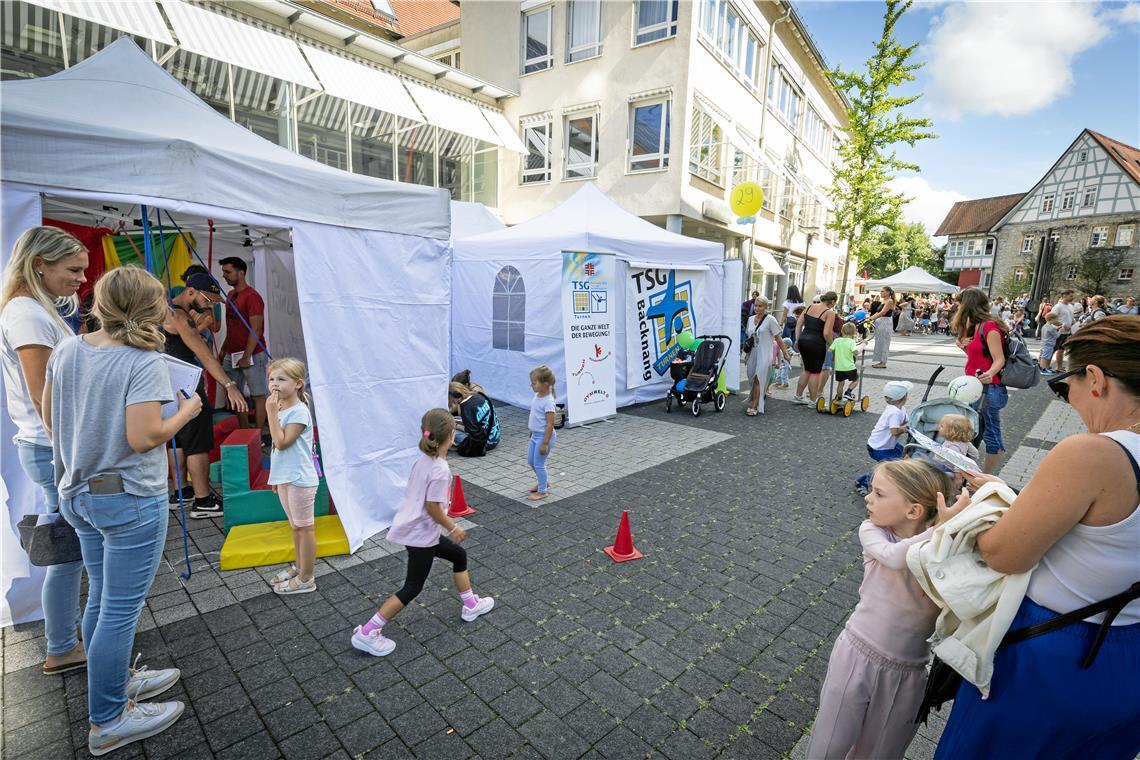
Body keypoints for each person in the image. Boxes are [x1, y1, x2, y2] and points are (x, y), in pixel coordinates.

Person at [933, 315, 1140, 758]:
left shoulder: (1094, 453)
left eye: (1064, 384)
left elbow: (1002, 554)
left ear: (1097, 379)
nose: (1069, 399)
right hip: (1128, 660)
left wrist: (984, 509)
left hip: (1057, 655)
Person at [44, 267, 202, 755]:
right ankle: (108, 717)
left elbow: (50, 415)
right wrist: (186, 412)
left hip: (78, 492)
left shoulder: (68, 348)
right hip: (130, 496)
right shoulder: (144, 360)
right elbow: (144, 437)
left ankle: (111, 683)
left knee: (101, 600)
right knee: (118, 608)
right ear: (148, 308)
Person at [807, 459, 955, 759]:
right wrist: (943, 528)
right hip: (858, 655)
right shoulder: (873, 532)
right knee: (829, 743)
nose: (867, 497)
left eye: (878, 493)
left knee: (882, 752)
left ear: (913, 511)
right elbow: (896, 557)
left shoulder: (943, 548)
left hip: (909, 669)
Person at [0, 226, 88, 675]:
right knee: (68, 553)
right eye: (73, 270)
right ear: (40, 263)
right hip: (52, 447)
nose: (80, 280)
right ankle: (63, 646)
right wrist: (76, 451)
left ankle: (62, 644)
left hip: (48, 446)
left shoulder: (29, 310)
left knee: (67, 552)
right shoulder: (28, 314)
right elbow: (43, 397)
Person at [351, 409, 495, 657]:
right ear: (451, 435)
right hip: (421, 536)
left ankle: (471, 604)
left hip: (417, 532)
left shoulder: (422, 462)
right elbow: (431, 506)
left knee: (458, 556)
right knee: (412, 587)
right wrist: (453, 526)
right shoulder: (440, 469)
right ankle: (368, 632)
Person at [163, 273, 248, 518]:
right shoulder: (179, 316)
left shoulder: (167, 311)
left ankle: (182, 492)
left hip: (169, 385)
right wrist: (229, 384)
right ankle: (203, 501)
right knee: (197, 441)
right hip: (187, 385)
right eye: (207, 300)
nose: (210, 305)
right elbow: (204, 354)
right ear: (191, 292)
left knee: (177, 438)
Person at [265, 358, 320, 595]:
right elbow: (277, 452)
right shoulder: (282, 408)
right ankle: (299, 567)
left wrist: (269, 412)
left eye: (281, 379)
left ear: (298, 384)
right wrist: (277, 479)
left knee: (305, 528)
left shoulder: (298, 411)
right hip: (287, 479)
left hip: (300, 479)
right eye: (271, 379)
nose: (274, 384)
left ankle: (307, 577)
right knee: (296, 527)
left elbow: (281, 442)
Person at [952, 287, 1009, 475]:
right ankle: (969, 472)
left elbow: (999, 359)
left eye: (960, 304)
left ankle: (987, 477)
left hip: (989, 389)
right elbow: (976, 357)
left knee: (991, 434)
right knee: (973, 431)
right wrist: (962, 346)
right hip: (973, 386)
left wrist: (989, 373)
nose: (957, 308)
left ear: (968, 305)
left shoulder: (990, 327)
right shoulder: (973, 326)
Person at [219, 256, 268, 434]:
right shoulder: (231, 295)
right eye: (224, 272)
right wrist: (224, 349)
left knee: (258, 395)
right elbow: (233, 327)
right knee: (235, 393)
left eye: (228, 272)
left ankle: (259, 432)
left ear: (241, 273)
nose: (224, 276)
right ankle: (244, 432)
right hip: (232, 353)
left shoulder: (253, 297)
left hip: (253, 353)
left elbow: (256, 329)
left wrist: (247, 356)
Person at [854, 381, 911, 494]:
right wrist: (906, 428)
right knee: (889, 466)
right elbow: (894, 431)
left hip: (887, 445)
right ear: (903, 397)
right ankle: (865, 483)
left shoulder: (901, 409)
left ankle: (862, 479)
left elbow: (906, 421)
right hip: (879, 448)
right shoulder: (894, 412)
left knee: (902, 456)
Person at [793, 292, 838, 405]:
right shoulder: (829, 313)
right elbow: (827, 333)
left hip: (803, 340)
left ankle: (798, 395)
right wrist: (832, 346)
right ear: (832, 301)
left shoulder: (809, 306)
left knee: (807, 370)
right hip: (816, 343)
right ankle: (813, 400)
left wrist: (798, 340)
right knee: (815, 372)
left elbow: (799, 323)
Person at [745, 296, 786, 416]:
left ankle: (755, 406)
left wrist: (785, 352)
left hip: (765, 353)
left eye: (760, 306)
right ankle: (756, 397)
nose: (757, 308)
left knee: (759, 378)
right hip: (752, 353)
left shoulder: (770, 320)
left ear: (765, 307)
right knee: (751, 377)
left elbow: (778, 338)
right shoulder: (750, 319)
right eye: (756, 305)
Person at [527, 365, 557, 502]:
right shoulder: (537, 395)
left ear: (545, 384)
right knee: (531, 462)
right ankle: (543, 481)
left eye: (534, 383)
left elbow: (550, 424)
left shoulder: (549, 402)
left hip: (544, 436)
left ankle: (542, 491)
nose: (531, 385)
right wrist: (531, 431)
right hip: (535, 435)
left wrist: (545, 443)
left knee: (539, 464)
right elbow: (535, 416)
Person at [448, 381, 501, 457]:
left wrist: (455, 425)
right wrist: (455, 420)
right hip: (495, 437)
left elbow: (472, 431)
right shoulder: (478, 395)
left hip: (485, 443)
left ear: (454, 397)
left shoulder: (466, 407)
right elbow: (476, 420)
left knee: (448, 431)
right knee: (455, 418)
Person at [934, 413, 980, 479]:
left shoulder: (954, 447)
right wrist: (969, 458)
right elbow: (975, 454)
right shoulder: (965, 442)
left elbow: (958, 462)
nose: (938, 428)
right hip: (942, 464)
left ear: (951, 431)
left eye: (942, 426)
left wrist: (958, 477)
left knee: (918, 455)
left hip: (943, 468)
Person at [830, 322, 859, 401]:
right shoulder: (851, 342)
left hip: (839, 367)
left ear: (842, 331)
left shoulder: (837, 340)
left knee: (841, 383)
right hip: (849, 367)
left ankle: (839, 398)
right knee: (856, 380)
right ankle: (848, 392)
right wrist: (861, 346)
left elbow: (830, 349)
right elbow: (855, 352)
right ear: (854, 333)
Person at [1050, 289, 1076, 371]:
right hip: (1058, 332)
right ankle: (1045, 366)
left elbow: (1072, 318)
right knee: (1052, 349)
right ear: (1064, 295)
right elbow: (1051, 319)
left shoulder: (1071, 306)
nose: (1072, 297)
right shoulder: (1057, 307)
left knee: (1061, 350)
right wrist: (1061, 325)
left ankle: (1059, 367)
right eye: (1070, 296)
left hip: (1067, 332)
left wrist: (1075, 324)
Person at [871, 287, 896, 368]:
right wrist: (869, 319)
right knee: (880, 342)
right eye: (880, 291)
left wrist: (872, 318)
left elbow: (883, 312)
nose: (880, 293)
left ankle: (883, 362)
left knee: (884, 342)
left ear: (888, 292)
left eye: (882, 291)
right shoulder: (883, 301)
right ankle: (880, 361)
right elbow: (878, 312)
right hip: (880, 323)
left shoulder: (890, 301)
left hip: (885, 323)